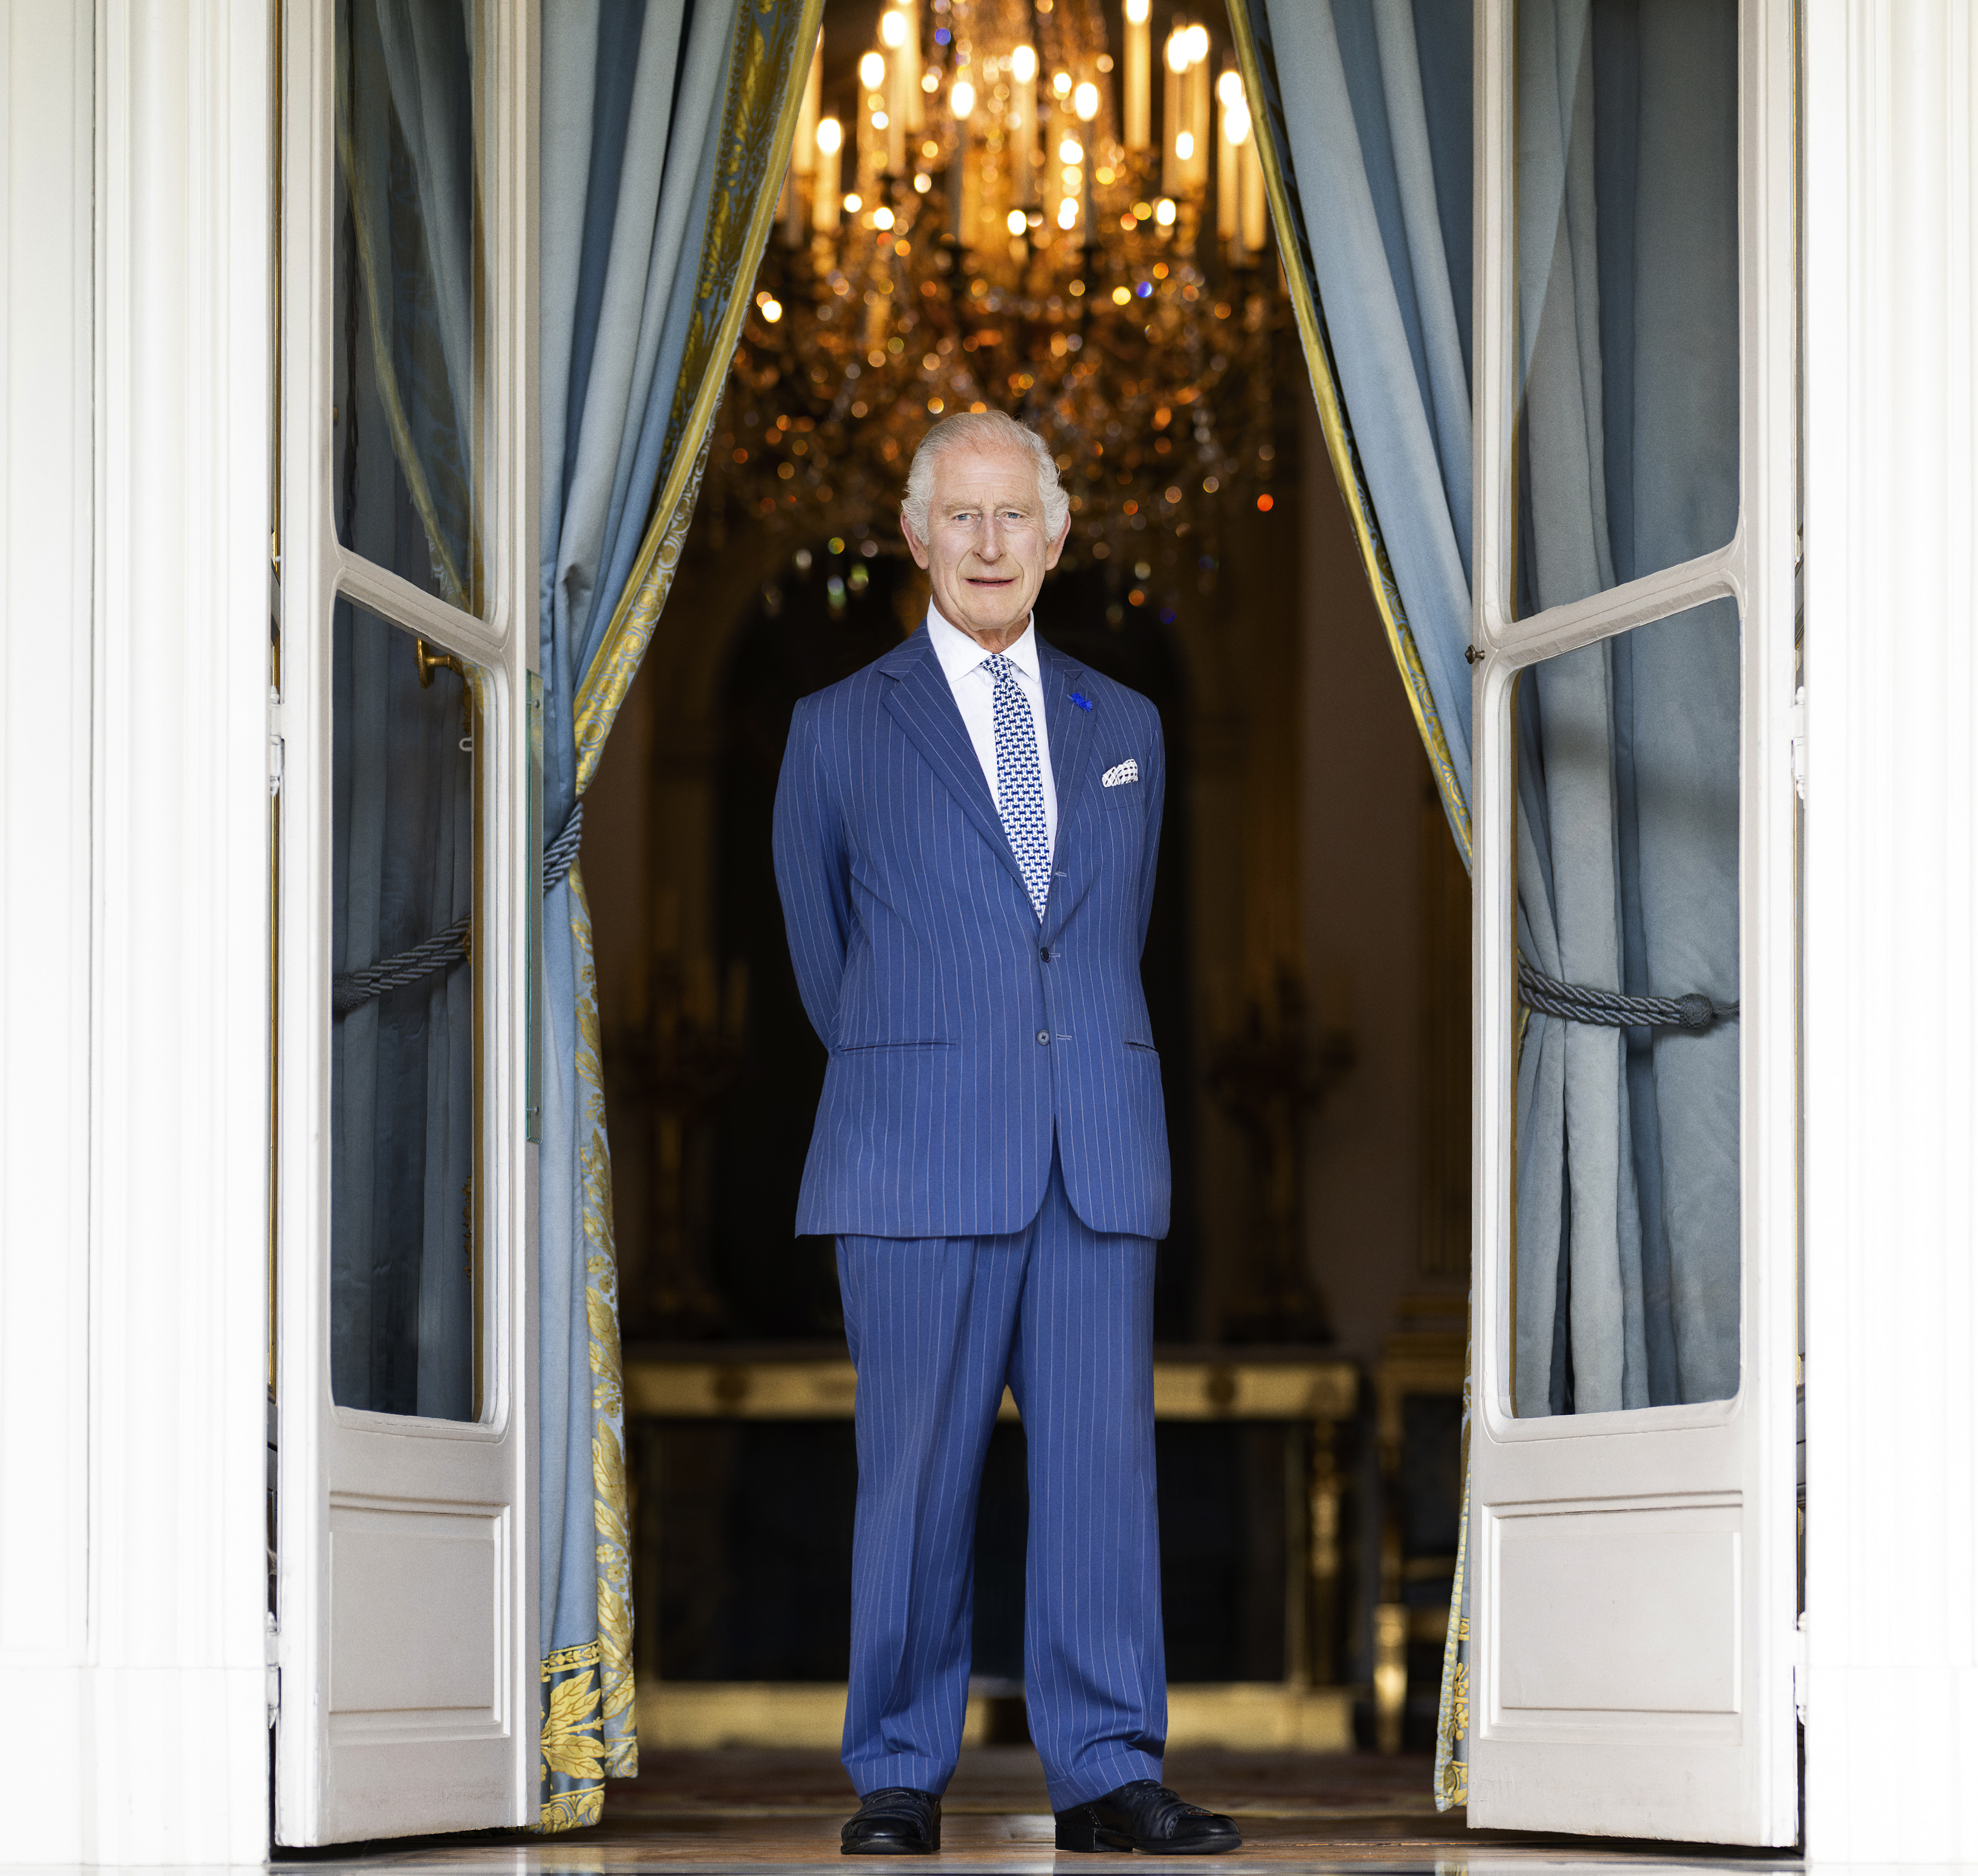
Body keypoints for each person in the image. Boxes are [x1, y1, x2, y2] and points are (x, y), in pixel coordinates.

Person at [773, 410, 1241, 1858]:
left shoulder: (1129, 728)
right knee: (912, 1474)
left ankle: (1104, 1769)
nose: (987, 544)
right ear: (914, 538)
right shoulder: (838, 727)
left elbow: (1110, 936)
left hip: (1092, 1147)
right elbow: (818, 951)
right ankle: (900, 1771)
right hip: (912, 1149)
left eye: (1011, 518)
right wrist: (931, 1064)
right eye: (957, 518)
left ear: (1055, 536)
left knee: (1103, 1472)